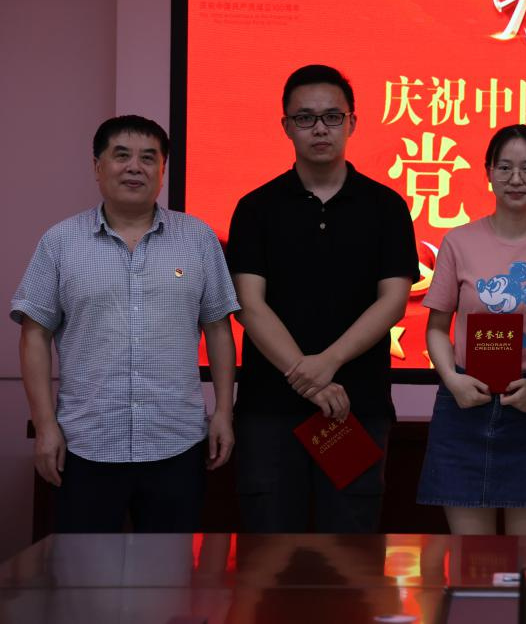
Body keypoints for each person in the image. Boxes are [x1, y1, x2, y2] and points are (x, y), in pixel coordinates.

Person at [11, 115, 237, 532]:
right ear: (98, 167)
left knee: (171, 568)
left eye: (148, 158)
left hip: (177, 442)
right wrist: (45, 426)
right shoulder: (60, 242)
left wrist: (223, 412)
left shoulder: (198, 239)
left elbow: (219, 328)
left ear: (162, 170)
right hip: (86, 444)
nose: (135, 167)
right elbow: (34, 335)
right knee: (85, 568)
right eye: (121, 156)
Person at [227, 64, 419, 532]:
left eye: (332, 117)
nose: (319, 128)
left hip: (355, 408)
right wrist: (309, 379)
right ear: (286, 126)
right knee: (269, 553)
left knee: (350, 554)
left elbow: (393, 302)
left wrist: (326, 364)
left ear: (352, 122)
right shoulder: (256, 208)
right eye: (305, 118)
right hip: (269, 412)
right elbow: (249, 305)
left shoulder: (386, 207)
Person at [417, 124, 526, 534]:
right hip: (465, 401)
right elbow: (437, 328)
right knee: (471, 557)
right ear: (488, 172)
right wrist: (451, 379)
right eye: (504, 167)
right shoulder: (458, 241)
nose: (516, 178)